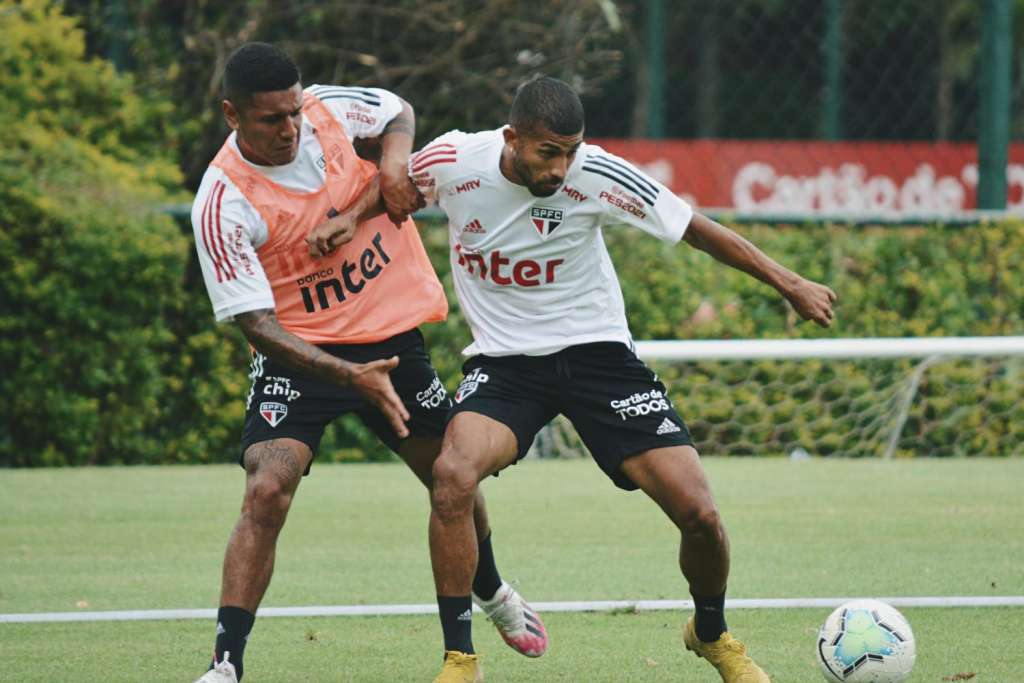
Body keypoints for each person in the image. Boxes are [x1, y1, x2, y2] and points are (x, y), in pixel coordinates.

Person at [312, 76, 836, 683]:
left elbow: (691, 226)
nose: (562, 167)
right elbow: (394, 187)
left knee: (701, 515)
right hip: (506, 365)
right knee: (452, 477)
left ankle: (711, 633)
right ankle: (460, 659)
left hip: (599, 360)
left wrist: (788, 282)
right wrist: (349, 218)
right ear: (512, 139)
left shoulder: (597, 172)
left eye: (571, 151)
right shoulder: (456, 159)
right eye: (548, 152)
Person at [190, 43, 547, 683]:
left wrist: (392, 166)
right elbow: (257, 325)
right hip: (298, 352)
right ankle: (225, 664)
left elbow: (398, 112)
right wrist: (348, 376)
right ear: (231, 114)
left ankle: (492, 592)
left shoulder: (327, 111)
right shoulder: (221, 202)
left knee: (451, 475)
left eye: (293, 111)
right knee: (266, 489)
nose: (291, 128)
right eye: (271, 119)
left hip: (389, 335)